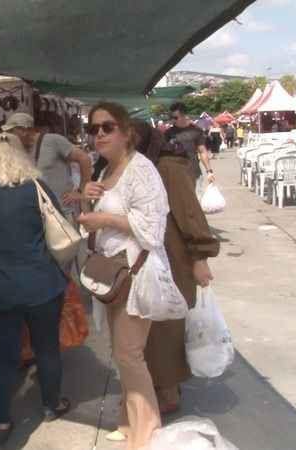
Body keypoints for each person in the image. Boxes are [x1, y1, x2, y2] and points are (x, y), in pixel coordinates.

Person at [79, 103, 184, 450]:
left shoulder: (142, 171)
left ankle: (146, 428)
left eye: (107, 127)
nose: (99, 135)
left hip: (136, 274)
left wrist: (104, 219)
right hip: (113, 274)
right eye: (93, 128)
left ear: (126, 133)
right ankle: (128, 421)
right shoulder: (105, 170)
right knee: (121, 352)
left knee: (129, 354)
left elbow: (153, 231)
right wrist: (87, 199)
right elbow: (93, 223)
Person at [0, 133, 71, 446]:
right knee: (47, 348)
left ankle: (1, 421)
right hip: (41, 283)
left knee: (4, 357)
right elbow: (59, 223)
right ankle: (51, 404)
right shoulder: (34, 187)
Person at [131, 120, 220, 414]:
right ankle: (165, 386)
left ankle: (169, 393)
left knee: (166, 328)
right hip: (152, 259)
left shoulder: (167, 168)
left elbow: (190, 213)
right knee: (156, 328)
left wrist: (200, 256)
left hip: (173, 258)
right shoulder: (139, 168)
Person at [2, 112, 93, 221]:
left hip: (63, 213)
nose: (8, 136)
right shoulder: (19, 149)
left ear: (24, 130)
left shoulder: (53, 141)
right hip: (39, 216)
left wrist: (80, 192)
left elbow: (84, 159)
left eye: (11, 132)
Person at [165, 102, 215, 187]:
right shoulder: (168, 133)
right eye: (171, 117)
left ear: (183, 116)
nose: (172, 120)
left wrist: (209, 171)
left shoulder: (196, 131)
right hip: (176, 175)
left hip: (194, 174)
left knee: (196, 199)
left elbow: (202, 151)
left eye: (175, 117)